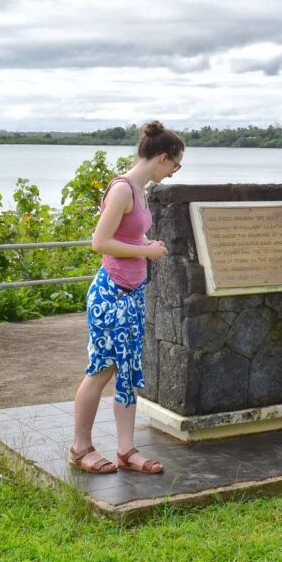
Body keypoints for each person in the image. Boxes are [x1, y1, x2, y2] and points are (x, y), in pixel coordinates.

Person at [68, 120, 184, 474]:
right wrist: (146, 252)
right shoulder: (122, 189)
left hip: (132, 293)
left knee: (129, 370)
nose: (173, 172)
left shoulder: (140, 191)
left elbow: (127, 238)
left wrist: (145, 244)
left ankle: (126, 449)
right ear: (162, 157)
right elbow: (100, 242)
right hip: (111, 294)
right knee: (101, 369)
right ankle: (80, 448)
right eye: (175, 165)